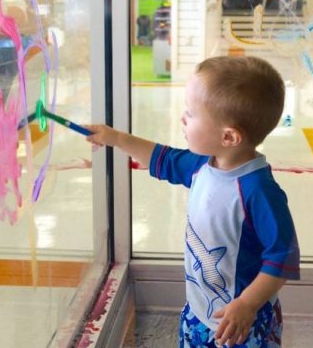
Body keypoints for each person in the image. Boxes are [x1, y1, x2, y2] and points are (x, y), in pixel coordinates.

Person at [85, 56, 300, 347]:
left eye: (191, 113)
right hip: (200, 309)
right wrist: (115, 138)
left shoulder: (258, 190)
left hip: (239, 322)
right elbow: (163, 158)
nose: (183, 118)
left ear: (229, 136)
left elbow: (282, 257)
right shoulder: (203, 165)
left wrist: (247, 305)